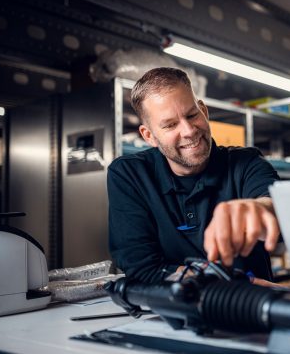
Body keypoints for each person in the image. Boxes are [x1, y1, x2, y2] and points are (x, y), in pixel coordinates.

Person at [107, 67, 280, 283]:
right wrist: (223, 287)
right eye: (170, 125)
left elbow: (276, 208)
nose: (189, 131)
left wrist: (260, 209)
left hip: (250, 310)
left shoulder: (246, 162)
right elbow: (140, 266)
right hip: (170, 313)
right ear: (149, 135)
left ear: (204, 111)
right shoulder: (129, 175)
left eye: (192, 115)